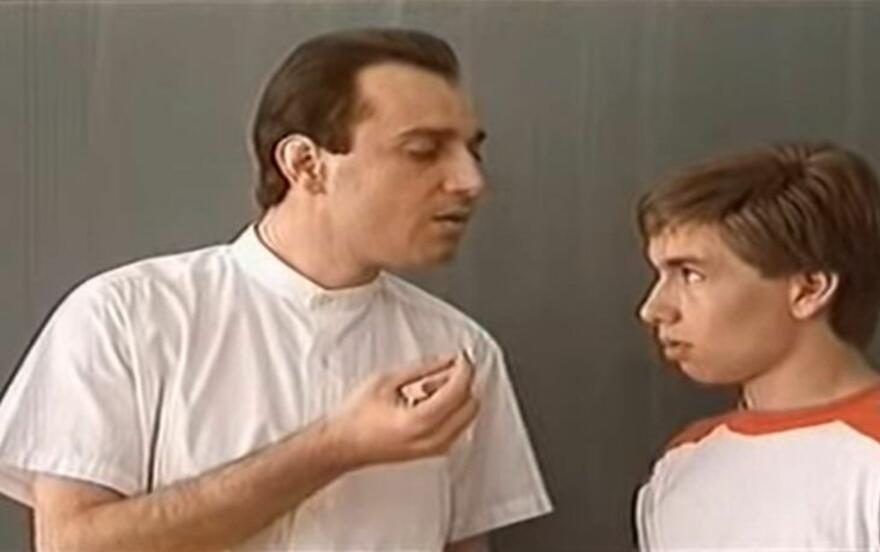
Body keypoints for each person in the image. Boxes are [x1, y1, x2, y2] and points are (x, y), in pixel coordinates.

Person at [0, 28, 551, 551]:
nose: (470, 181)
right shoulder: (125, 318)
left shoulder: (461, 351)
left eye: (472, 151)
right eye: (423, 150)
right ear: (307, 164)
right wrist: (334, 447)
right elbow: (72, 544)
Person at [632, 143, 880, 550]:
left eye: (691, 274)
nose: (653, 309)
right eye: (660, 275)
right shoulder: (679, 468)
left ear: (809, 289)